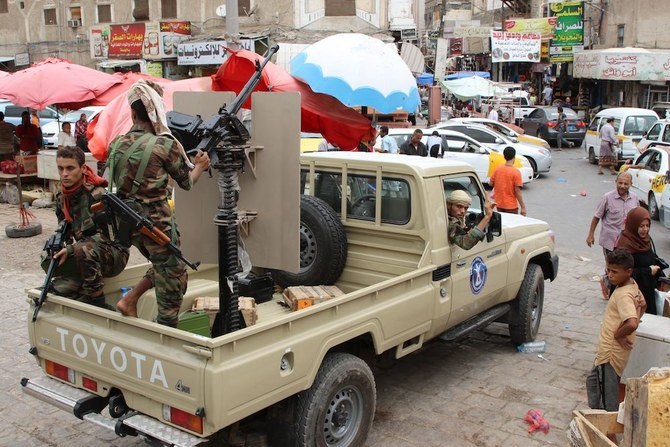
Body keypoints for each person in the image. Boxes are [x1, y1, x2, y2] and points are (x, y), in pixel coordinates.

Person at [109, 79, 210, 327]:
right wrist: (200, 166)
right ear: (157, 111)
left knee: (163, 263)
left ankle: (130, 299)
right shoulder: (165, 145)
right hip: (156, 225)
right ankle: (166, 329)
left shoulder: (117, 144)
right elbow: (186, 183)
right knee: (174, 277)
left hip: (127, 223)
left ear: (133, 113)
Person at [49, 146, 129, 308]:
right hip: (86, 254)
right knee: (59, 287)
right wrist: (57, 246)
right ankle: (78, 284)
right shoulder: (62, 197)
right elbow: (65, 229)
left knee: (82, 250)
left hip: (114, 254)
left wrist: (72, 250)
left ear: (83, 168)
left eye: (70, 168)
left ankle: (97, 300)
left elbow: (109, 237)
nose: (64, 174)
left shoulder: (97, 195)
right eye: (61, 168)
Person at [586, 248, 645, 412]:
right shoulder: (632, 285)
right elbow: (643, 304)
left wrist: (619, 335)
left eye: (614, 272)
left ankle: (608, 434)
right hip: (608, 353)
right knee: (593, 381)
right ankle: (595, 418)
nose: (610, 275)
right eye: (608, 271)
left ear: (628, 271)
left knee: (607, 400)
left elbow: (632, 323)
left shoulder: (623, 295)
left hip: (610, 355)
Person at [586, 172, 639, 298]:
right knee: (613, 267)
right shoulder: (607, 197)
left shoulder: (635, 198)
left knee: (625, 266)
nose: (622, 186)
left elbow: (637, 217)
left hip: (627, 241)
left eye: (626, 183)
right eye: (620, 183)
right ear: (616, 182)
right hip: (610, 240)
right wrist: (590, 235)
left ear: (631, 184)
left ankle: (617, 289)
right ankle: (611, 289)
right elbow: (596, 216)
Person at [615, 207, 664, 315]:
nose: (645, 229)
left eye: (647, 226)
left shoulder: (645, 240)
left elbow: (649, 258)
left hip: (647, 293)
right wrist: (647, 271)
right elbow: (621, 273)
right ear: (633, 225)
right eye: (641, 226)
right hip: (631, 296)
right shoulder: (624, 245)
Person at [489, 146, 526, 215]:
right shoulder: (516, 172)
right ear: (514, 157)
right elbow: (517, 191)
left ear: (504, 156)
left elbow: (491, 183)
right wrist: (523, 207)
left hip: (499, 204)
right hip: (511, 206)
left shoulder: (498, 169)